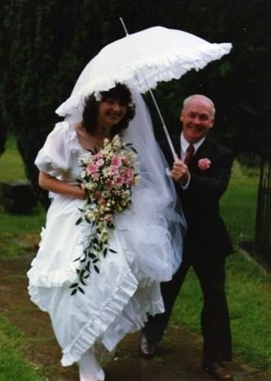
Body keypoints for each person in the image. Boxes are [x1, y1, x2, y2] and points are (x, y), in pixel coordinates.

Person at [27, 82, 185, 381]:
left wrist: (120, 189)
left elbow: (135, 179)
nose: (116, 109)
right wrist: (87, 192)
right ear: (94, 103)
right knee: (79, 286)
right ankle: (84, 357)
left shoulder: (121, 138)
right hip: (74, 216)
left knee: (115, 275)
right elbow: (45, 181)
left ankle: (97, 342)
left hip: (115, 217)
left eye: (122, 104)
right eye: (109, 102)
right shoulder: (66, 134)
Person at [140, 94, 235, 381]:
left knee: (215, 298)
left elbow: (217, 188)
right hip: (170, 235)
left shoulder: (221, 153)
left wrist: (188, 179)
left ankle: (215, 359)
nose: (196, 121)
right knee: (164, 291)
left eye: (203, 117)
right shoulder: (159, 148)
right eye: (192, 115)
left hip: (208, 239)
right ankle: (150, 336)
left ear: (211, 122)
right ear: (182, 116)